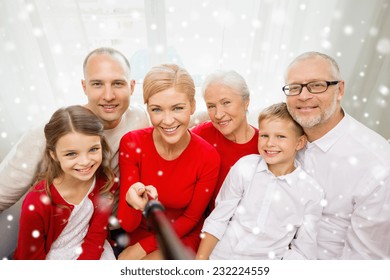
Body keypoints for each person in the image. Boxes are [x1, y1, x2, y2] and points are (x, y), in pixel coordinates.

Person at [0, 47, 150, 258]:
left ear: (132, 87)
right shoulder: (46, 136)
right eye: (97, 84)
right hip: (58, 237)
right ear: (84, 86)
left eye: (118, 83)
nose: (109, 96)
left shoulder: (140, 119)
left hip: (105, 234)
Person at [283, 51, 390, 259]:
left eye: (316, 85)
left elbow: (365, 260)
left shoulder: (377, 165)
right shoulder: (280, 136)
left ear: (339, 90)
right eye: (294, 87)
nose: (304, 96)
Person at [117, 64, 220, 260]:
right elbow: (127, 224)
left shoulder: (208, 156)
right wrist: (132, 204)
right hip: (140, 232)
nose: (168, 120)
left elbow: (191, 218)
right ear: (147, 108)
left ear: (193, 106)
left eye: (177, 108)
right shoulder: (132, 143)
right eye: (157, 109)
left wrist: (140, 248)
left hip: (181, 233)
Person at [196, 102, 324, 260]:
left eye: (280, 136)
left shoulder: (311, 193)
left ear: (299, 143)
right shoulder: (245, 167)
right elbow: (218, 219)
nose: (269, 143)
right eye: (264, 135)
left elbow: (304, 251)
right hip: (220, 257)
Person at [13, 105, 117, 259]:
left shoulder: (106, 183)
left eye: (93, 149)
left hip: (92, 252)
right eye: (71, 154)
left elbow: (96, 236)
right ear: (53, 155)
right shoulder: (36, 204)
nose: (85, 162)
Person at [191, 70, 259, 210]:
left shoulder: (265, 144)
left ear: (246, 102)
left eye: (226, 102)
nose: (218, 114)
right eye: (211, 106)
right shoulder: (202, 134)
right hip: (207, 224)